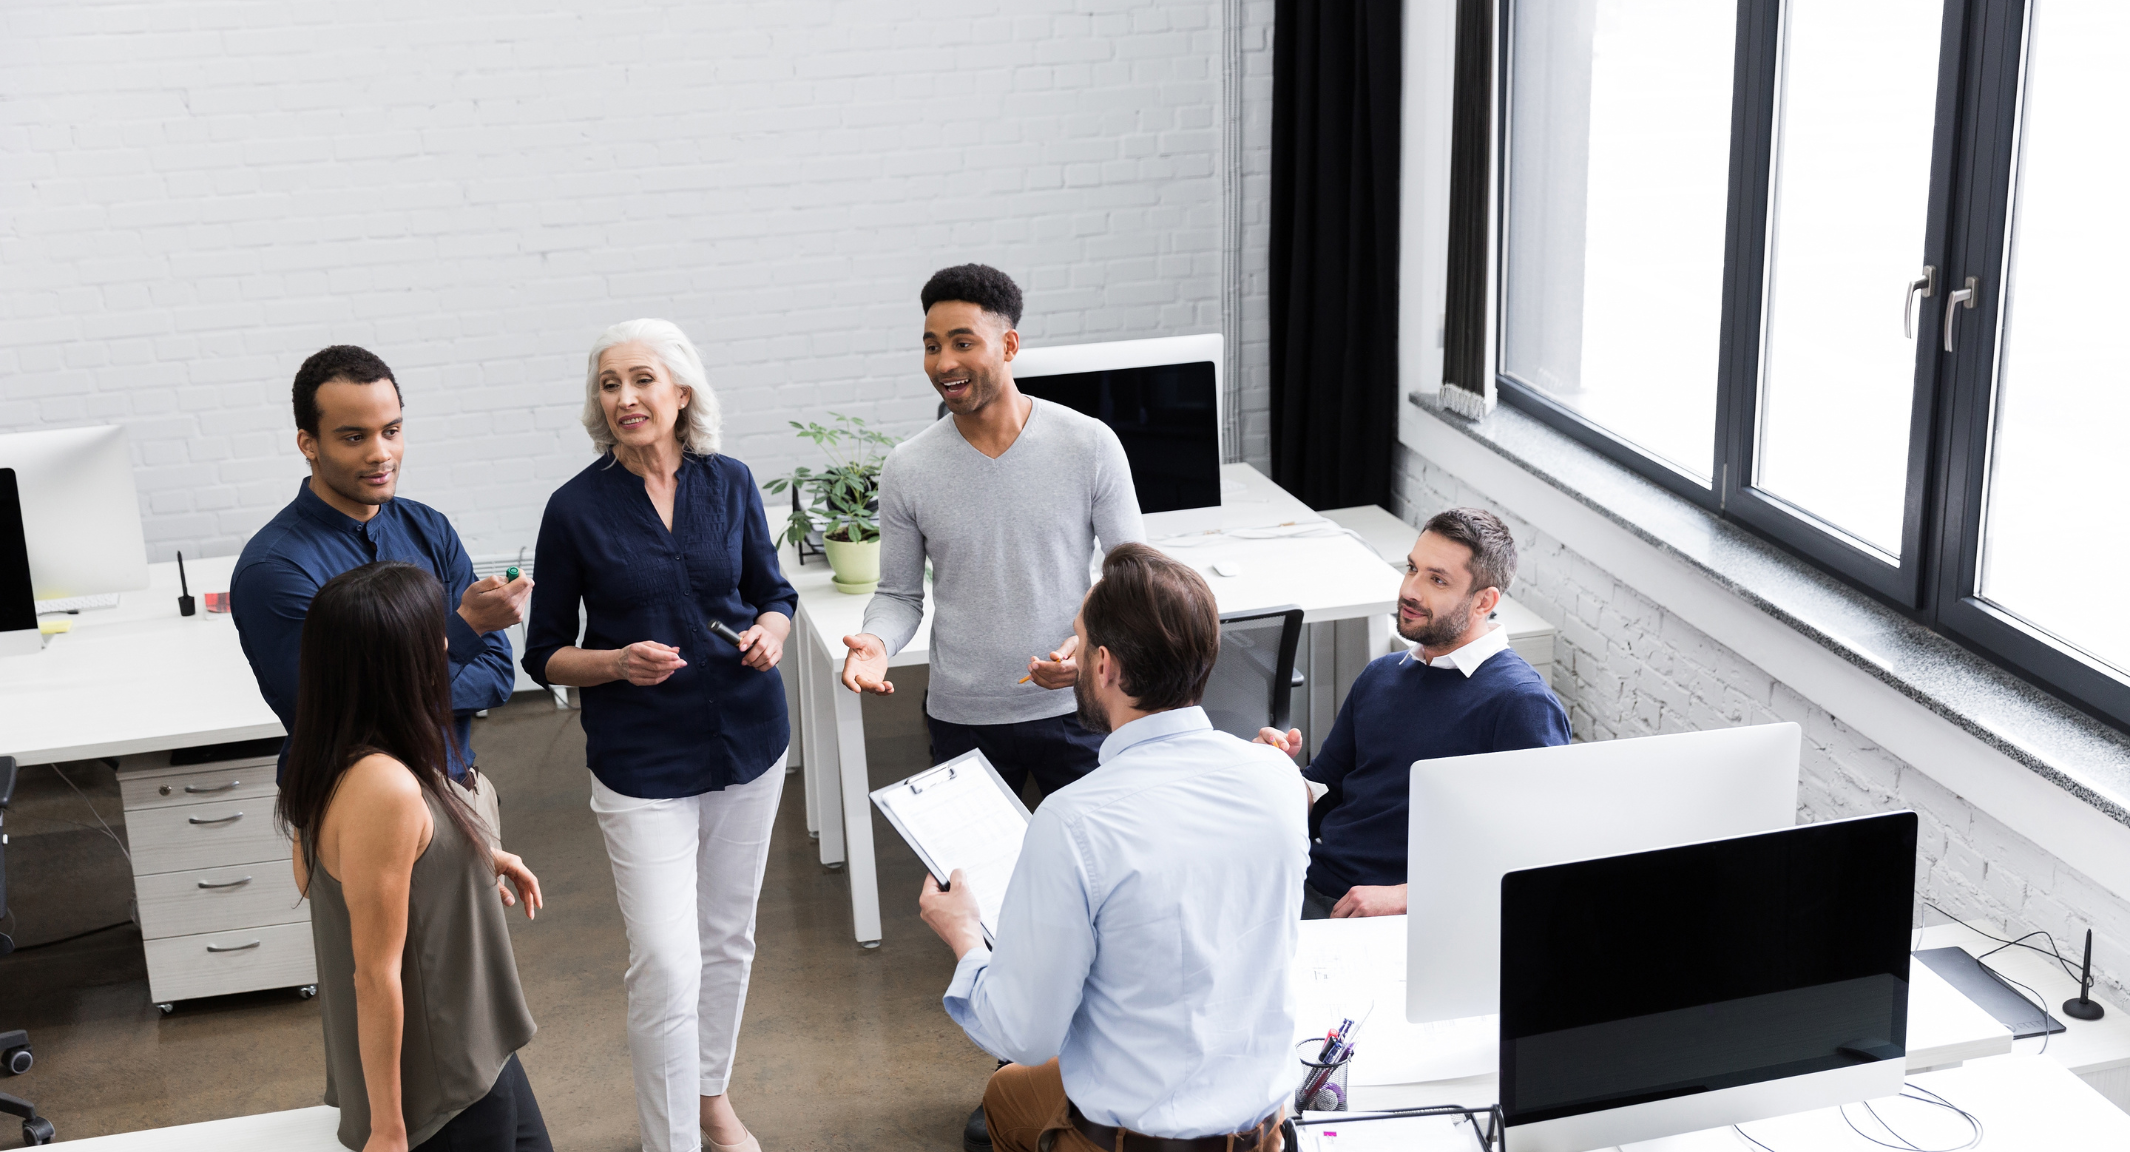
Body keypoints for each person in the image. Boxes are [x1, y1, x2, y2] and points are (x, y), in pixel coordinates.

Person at [918, 543, 1308, 1152]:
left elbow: (1024, 1034)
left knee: (1004, 1097)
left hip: (1135, 1138)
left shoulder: (1074, 820)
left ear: (1103, 665)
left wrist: (964, 934)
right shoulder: (1279, 779)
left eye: (1077, 642)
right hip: (1262, 1130)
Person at [522, 319, 796, 1152]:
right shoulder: (574, 509)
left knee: (727, 939)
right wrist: (612, 664)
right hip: (643, 763)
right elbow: (542, 656)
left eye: (642, 380)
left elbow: (773, 592)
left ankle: (711, 1101)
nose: (625, 398)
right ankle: (668, 1140)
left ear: (681, 393)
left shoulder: (732, 481)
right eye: (609, 384)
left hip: (749, 743)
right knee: (667, 963)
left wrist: (773, 633)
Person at [839, 263, 1144, 803]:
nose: (944, 362)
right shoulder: (908, 467)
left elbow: (1133, 575)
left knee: (1095, 877)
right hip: (964, 719)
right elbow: (898, 595)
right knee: (968, 881)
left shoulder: (1089, 444)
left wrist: (1087, 643)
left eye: (962, 343)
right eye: (932, 346)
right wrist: (877, 643)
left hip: (1077, 709)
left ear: (1008, 345)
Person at [278, 561, 548, 1152]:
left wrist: (477, 861)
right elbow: (374, 975)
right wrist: (388, 1129)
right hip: (444, 1081)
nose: (448, 643)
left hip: (477, 1044)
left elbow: (350, 871)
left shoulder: (341, 756)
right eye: (436, 635)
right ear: (396, 661)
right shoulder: (384, 787)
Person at [233, 344, 531, 790]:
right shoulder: (275, 569)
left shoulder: (428, 528)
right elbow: (343, 719)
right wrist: (464, 629)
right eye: (354, 437)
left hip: (459, 789)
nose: (381, 454)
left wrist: (395, 692)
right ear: (308, 443)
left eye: (391, 431)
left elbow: (496, 676)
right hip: (355, 809)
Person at [1259, 507, 1570, 919]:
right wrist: (1269, 773)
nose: (1411, 590)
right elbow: (1321, 787)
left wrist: (1408, 897)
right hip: (1305, 881)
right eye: (1412, 568)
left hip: (1397, 917)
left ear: (1484, 601)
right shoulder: (1383, 674)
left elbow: (1539, 856)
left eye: (1437, 579)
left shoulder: (1521, 704)